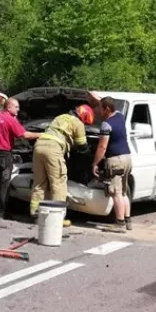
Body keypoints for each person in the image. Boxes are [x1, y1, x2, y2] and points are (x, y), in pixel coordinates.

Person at [31, 103, 93, 224]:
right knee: (58, 183)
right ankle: (57, 218)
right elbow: (82, 146)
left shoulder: (60, 117)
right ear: (84, 117)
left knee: (39, 182)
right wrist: (90, 157)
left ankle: (35, 213)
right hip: (53, 149)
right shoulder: (78, 123)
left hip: (39, 146)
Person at [92, 96, 132, 231]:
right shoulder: (120, 116)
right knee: (123, 192)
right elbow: (107, 102)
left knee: (116, 193)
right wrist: (95, 97)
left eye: (100, 108)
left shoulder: (106, 124)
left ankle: (119, 224)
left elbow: (102, 147)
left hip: (115, 160)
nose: (98, 111)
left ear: (107, 109)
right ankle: (127, 221)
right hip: (127, 158)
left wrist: (95, 163)